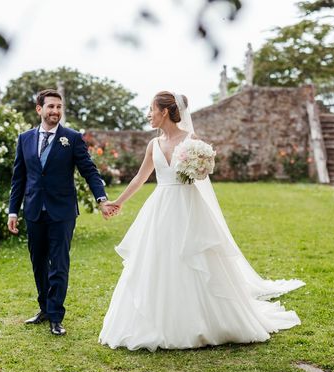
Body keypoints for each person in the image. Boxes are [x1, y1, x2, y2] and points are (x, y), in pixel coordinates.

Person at [99, 91, 304, 351]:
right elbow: (140, 178)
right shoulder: (154, 145)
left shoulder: (192, 141)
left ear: (164, 112)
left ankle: (208, 320)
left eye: (151, 109)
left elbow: (201, 176)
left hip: (188, 206)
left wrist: (199, 167)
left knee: (196, 258)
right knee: (158, 259)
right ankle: (158, 320)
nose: (149, 114)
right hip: (161, 207)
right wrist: (119, 201)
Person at [8, 89, 119, 336]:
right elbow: (19, 178)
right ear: (39, 109)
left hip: (62, 212)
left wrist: (101, 198)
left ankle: (56, 316)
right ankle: (44, 309)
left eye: (59, 107)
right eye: (51, 107)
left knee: (58, 263)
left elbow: (89, 171)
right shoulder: (24, 139)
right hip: (34, 209)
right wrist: (12, 211)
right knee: (38, 262)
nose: (55, 111)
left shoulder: (72, 138)